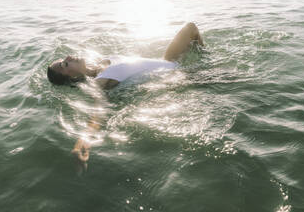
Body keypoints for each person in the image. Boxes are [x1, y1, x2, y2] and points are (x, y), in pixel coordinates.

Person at [46, 22, 204, 167]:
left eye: (64, 60)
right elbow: (99, 110)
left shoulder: (99, 64)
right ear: (72, 77)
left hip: (169, 62)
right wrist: (83, 142)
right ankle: (204, 65)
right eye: (64, 64)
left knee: (191, 28)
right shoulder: (100, 83)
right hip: (182, 75)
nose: (68, 57)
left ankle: (205, 57)